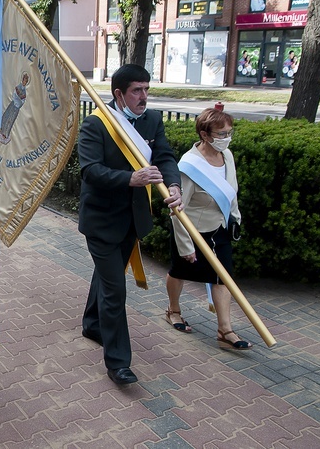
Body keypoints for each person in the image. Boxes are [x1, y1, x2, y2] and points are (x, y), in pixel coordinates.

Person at [78, 64, 182, 385]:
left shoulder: (151, 120)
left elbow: (164, 156)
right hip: (101, 220)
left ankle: (92, 324)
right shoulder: (96, 124)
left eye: (147, 89)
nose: (144, 97)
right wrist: (131, 178)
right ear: (119, 93)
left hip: (133, 220)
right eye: (137, 90)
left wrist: (174, 183)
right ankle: (118, 362)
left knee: (106, 276)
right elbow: (90, 170)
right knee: (115, 289)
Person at [164, 108, 250, 349]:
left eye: (229, 132)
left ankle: (225, 330)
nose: (227, 137)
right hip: (192, 232)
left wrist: (235, 220)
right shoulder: (189, 166)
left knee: (223, 277)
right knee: (179, 272)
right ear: (204, 134)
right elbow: (177, 211)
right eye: (221, 133)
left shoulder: (228, 156)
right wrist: (185, 246)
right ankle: (173, 310)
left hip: (219, 229)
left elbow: (231, 191)